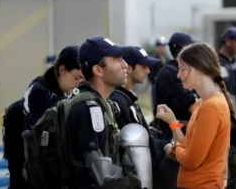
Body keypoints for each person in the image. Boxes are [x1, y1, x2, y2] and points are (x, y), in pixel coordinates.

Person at [156, 42, 234, 189]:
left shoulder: (211, 107)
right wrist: (173, 122)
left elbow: (191, 160)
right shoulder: (201, 103)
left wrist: (172, 149)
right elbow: (189, 145)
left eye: (182, 69)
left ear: (198, 69)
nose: (178, 75)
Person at [65, 37, 140, 189]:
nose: (125, 65)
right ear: (98, 70)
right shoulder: (87, 109)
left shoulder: (103, 104)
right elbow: (94, 176)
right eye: (118, 59)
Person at [109, 47, 167, 174]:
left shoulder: (128, 98)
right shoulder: (119, 101)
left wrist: (167, 146)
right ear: (129, 68)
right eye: (143, 66)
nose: (148, 71)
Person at [23, 45, 83, 129]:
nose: (79, 84)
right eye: (77, 78)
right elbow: (43, 133)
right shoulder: (39, 92)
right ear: (62, 70)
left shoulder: (69, 91)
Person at [152, 32, 198, 140]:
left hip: (183, 131)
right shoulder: (170, 73)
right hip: (172, 134)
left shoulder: (182, 71)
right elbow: (191, 106)